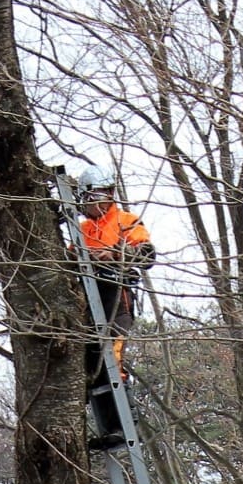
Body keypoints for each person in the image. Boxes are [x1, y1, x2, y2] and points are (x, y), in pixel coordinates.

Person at [75, 164, 155, 450]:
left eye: (97, 196)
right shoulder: (81, 230)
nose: (92, 204)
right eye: (87, 199)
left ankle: (124, 426)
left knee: (113, 355)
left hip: (116, 298)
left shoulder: (125, 221)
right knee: (90, 362)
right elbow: (68, 259)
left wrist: (115, 254)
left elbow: (145, 253)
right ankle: (108, 426)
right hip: (87, 302)